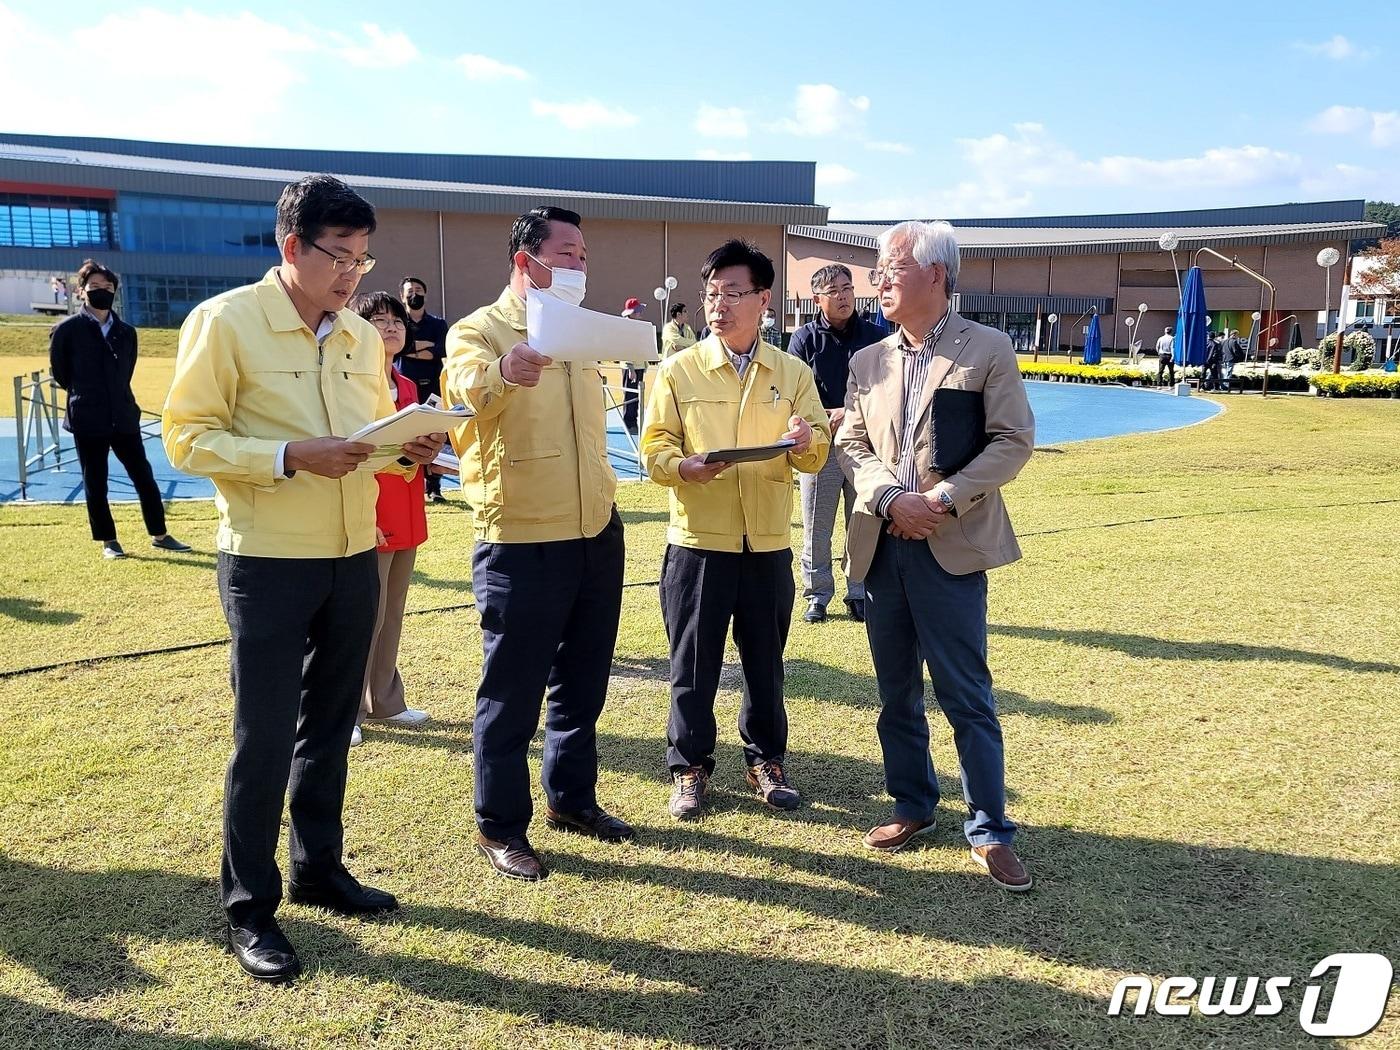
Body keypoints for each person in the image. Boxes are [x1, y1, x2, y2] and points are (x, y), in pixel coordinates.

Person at [163, 174, 446, 982]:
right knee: (264, 735)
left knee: (328, 725)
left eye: (363, 258)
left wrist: (409, 450)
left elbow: (365, 441)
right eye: (341, 257)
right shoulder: (225, 323)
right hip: (267, 560)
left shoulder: (360, 336)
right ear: (292, 247)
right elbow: (185, 439)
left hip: (355, 552)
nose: (355, 274)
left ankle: (319, 866)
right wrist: (288, 456)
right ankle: (250, 907)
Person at [835, 220, 1035, 892]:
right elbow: (853, 447)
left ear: (937, 274)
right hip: (883, 544)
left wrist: (940, 500)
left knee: (966, 694)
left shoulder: (987, 348)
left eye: (892, 266)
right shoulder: (868, 361)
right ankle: (913, 804)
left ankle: (989, 828)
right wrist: (892, 498)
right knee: (895, 693)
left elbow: (1011, 442)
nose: (878, 279)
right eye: (878, 268)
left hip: (951, 545)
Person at [443, 205, 633, 883]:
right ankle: (500, 825)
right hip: (522, 536)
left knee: (582, 682)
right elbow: (464, 389)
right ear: (526, 260)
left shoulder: (580, 334)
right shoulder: (481, 330)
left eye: (585, 254)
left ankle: (572, 799)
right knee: (512, 693)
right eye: (568, 253)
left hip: (593, 530)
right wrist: (505, 370)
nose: (580, 265)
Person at [641, 239, 830, 821]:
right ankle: (689, 768)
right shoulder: (677, 370)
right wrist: (684, 468)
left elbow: (817, 453)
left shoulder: (793, 372)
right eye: (711, 294)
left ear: (763, 300)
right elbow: (654, 450)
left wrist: (804, 442)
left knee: (765, 663)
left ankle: (766, 760)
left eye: (732, 293)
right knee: (692, 664)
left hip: (768, 543)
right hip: (698, 542)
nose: (718, 305)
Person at [49, 260, 191, 560]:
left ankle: (160, 533)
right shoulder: (66, 331)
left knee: (144, 476)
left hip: (123, 415)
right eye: (96, 287)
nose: (103, 292)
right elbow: (62, 373)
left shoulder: (126, 332)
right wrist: (86, 394)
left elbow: (126, 370)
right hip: (88, 417)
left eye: (109, 288)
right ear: (82, 290)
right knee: (95, 481)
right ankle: (108, 540)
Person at [348, 291, 432, 748]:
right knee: (365, 617)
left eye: (396, 319)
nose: (391, 327)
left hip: (407, 508)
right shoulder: (353, 384)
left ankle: (386, 699)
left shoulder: (407, 386)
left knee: (392, 613)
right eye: (378, 320)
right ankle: (348, 709)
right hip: (370, 511)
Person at [787, 263, 886, 624]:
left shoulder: (877, 336)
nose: (844, 296)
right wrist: (825, 416)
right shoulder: (803, 340)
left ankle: (858, 592)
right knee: (816, 523)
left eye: (848, 288)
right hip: (820, 446)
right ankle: (816, 594)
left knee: (861, 521)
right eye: (834, 291)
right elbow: (795, 393)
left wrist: (848, 411)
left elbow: (886, 391)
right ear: (818, 298)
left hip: (865, 446)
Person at [398, 276, 451, 502]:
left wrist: (414, 348)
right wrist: (424, 347)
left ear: (425, 294)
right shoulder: (399, 323)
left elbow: (440, 350)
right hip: (405, 386)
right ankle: (411, 485)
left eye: (418, 290)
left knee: (433, 434)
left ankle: (434, 487)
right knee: (408, 435)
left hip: (432, 386)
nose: (414, 294)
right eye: (410, 291)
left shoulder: (438, 324)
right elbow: (400, 348)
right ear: (402, 296)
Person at [621, 297, 647, 433]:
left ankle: (634, 421)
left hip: (639, 366)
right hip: (630, 367)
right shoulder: (626, 327)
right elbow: (625, 348)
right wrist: (630, 367)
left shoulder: (638, 326)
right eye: (637, 311)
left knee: (637, 397)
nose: (640, 314)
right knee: (630, 396)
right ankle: (628, 422)